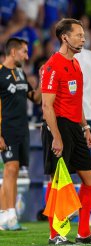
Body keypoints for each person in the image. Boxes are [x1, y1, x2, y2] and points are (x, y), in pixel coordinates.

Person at [40, 18, 91, 245]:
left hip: (75, 127)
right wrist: (56, 136)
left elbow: (76, 101)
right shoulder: (52, 66)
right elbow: (47, 105)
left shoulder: (76, 64)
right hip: (57, 126)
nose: (83, 38)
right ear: (64, 37)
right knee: (58, 181)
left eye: (83, 34)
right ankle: (55, 235)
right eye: (78, 35)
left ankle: (84, 232)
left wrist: (85, 127)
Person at [0, 38, 41, 231]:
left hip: (21, 129)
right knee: (11, 169)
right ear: (13, 52)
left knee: (13, 172)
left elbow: (35, 98)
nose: (27, 56)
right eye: (24, 52)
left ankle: (6, 216)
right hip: (5, 129)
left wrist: (44, 80)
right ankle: (9, 215)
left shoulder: (20, 73)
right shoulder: (0, 74)